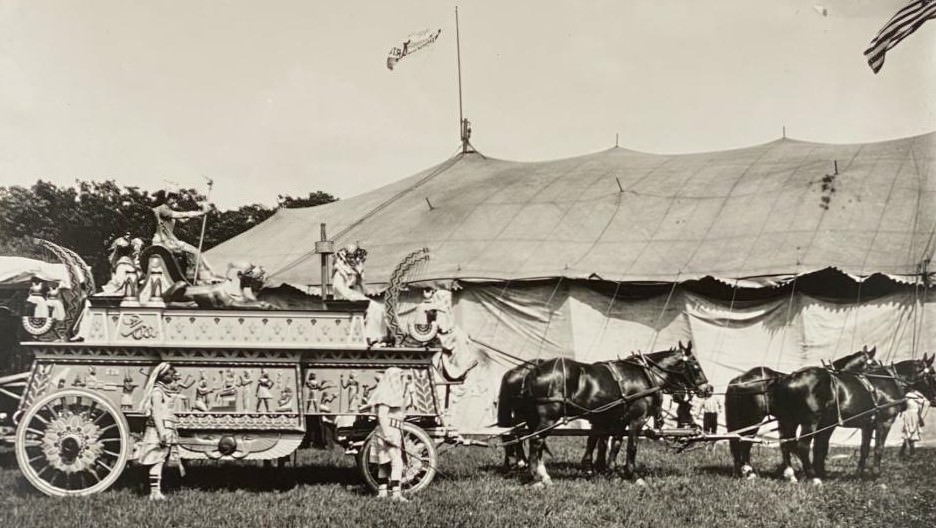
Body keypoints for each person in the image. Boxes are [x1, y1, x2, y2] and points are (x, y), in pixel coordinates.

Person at [363, 367, 410, 502]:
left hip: (386, 430)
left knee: (383, 462)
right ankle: (396, 494)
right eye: (399, 378)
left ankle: (382, 492)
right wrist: (388, 435)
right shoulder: (386, 395)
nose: (400, 381)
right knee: (396, 461)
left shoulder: (388, 393)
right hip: (389, 430)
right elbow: (382, 415)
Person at [151, 190, 218, 283]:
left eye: (175, 198)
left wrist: (199, 210)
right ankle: (204, 278)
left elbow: (184, 219)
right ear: (166, 199)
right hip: (164, 242)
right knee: (195, 252)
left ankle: (199, 276)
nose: (175, 201)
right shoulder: (162, 209)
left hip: (169, 241)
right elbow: (181, 215)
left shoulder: (166, 210)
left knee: (193, 253)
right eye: (172, 198)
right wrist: (201, 212)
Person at [137, 362, 181, 500]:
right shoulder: (157, 392)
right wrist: (161, 432)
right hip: (158, 430)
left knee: (160, 460)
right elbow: (156, 413)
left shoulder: (164, 390)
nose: (171, 375)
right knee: (156, 459)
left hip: (165, 428)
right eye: (168, 373)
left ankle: (156, 491)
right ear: (160, 376)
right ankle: (154, 492)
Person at [900, 389, 927, 459]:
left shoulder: (910, 397)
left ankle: (903, 452)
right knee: (910, 433)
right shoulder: (914, 398)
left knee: (909, 433)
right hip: (911, 415)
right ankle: (910, 453)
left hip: (912, 415)